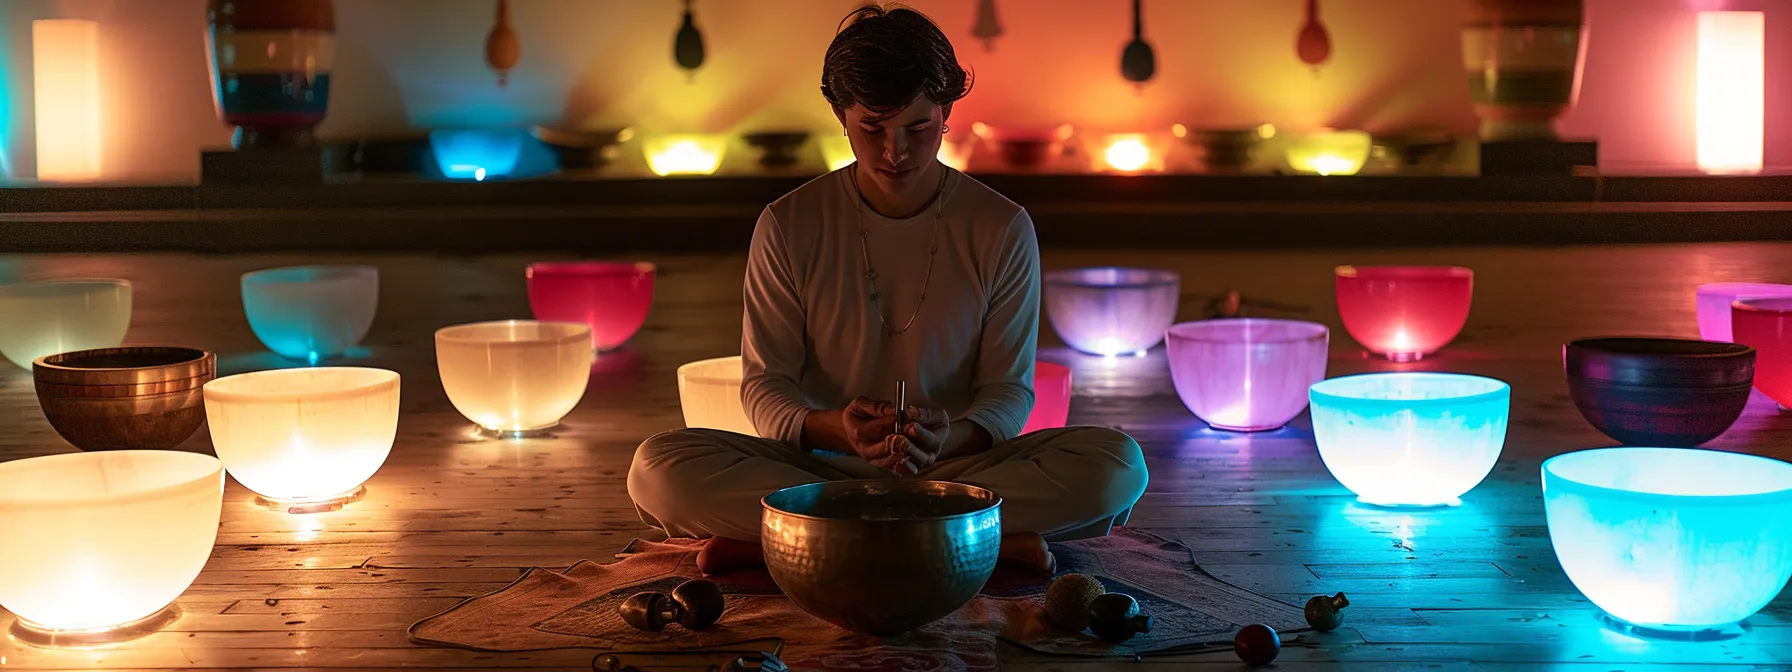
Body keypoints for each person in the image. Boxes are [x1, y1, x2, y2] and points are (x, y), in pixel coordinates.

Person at [628, 4, 1148, 576]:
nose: (894, 151)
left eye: (916, 128)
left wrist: (946, 439)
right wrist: (838, 432)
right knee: (658, 466)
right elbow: (766, 386)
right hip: (823, 472)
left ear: (946, 113)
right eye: (871, 128)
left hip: (956, 471)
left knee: (1117, 463)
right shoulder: (789, 222)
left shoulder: (1000, 226)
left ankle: (795, 543)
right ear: (840, 116)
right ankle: (973, 539)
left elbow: (1008, 391)